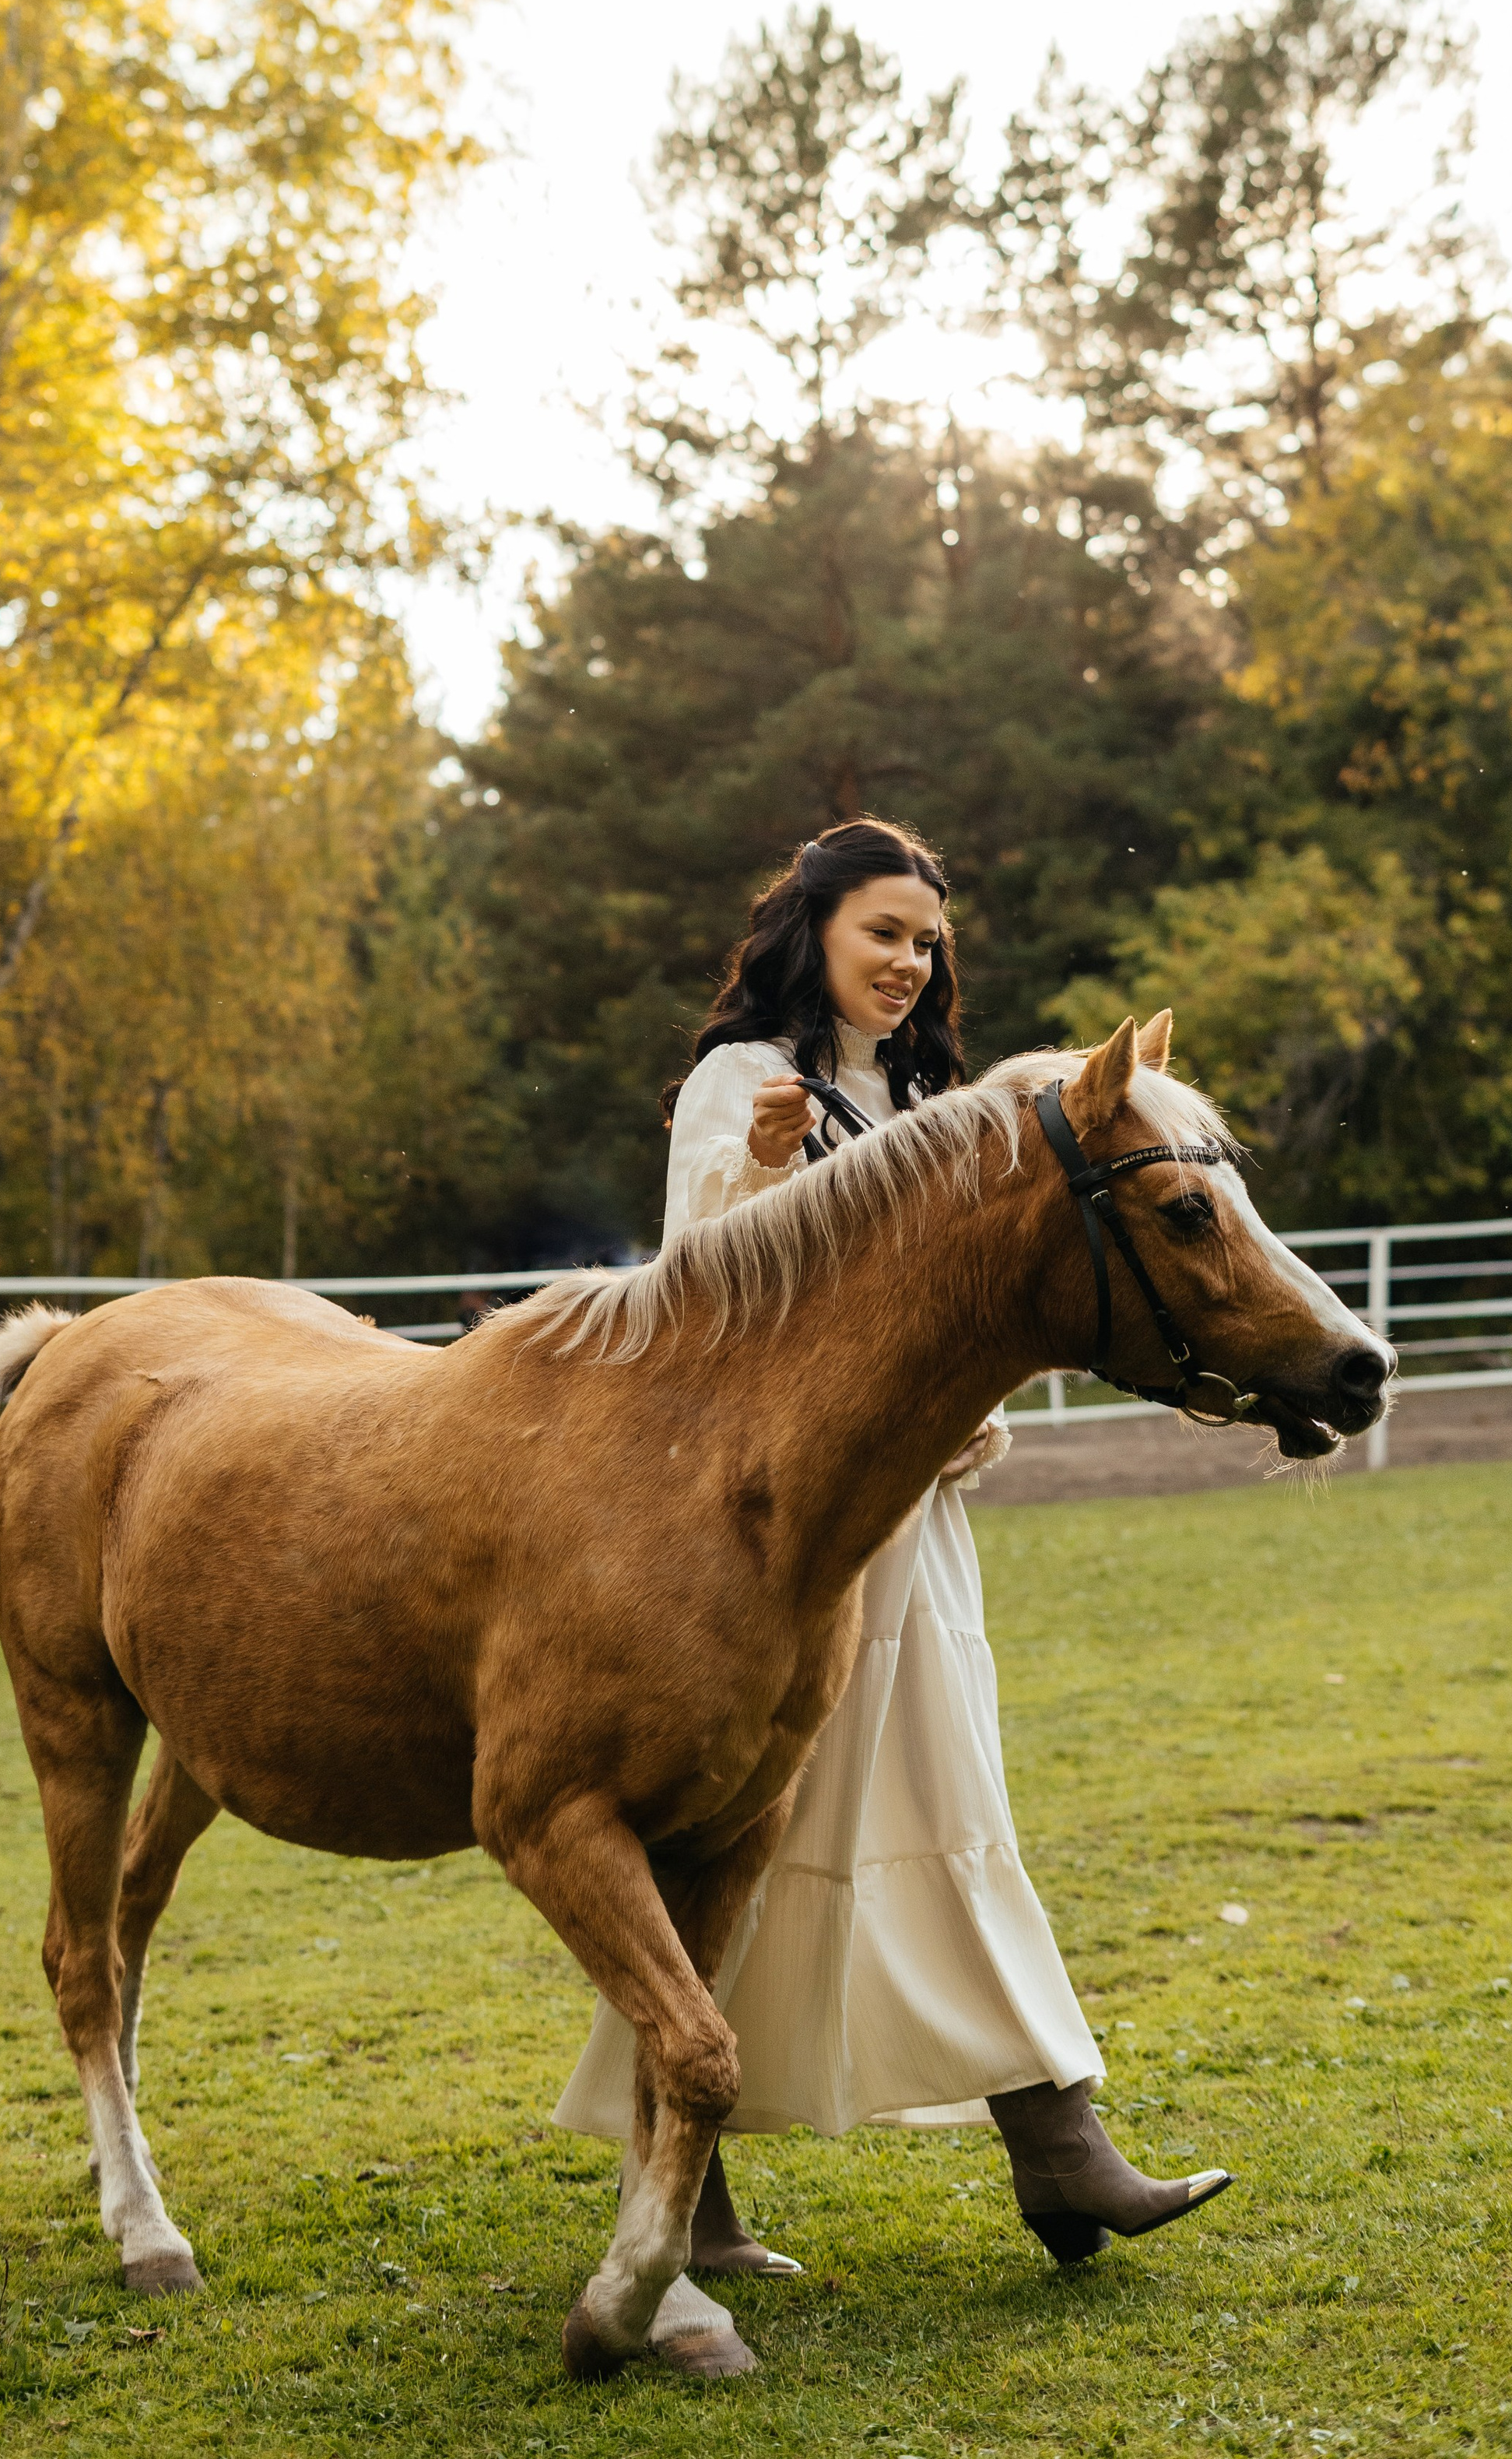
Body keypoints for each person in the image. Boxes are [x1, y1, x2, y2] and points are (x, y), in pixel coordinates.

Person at [552, 817, 1231, 2286]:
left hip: (920, 1523)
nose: (908, 966)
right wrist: (758, 1175)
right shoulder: (746, 1084)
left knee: (949, 1802)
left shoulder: (935, 1096)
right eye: (882, 934)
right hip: (784, 1545)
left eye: (926, 943)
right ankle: (694, 2179)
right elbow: (696, 1302)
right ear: (813, 930)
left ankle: (1059, 2141)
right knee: (753, 1836)